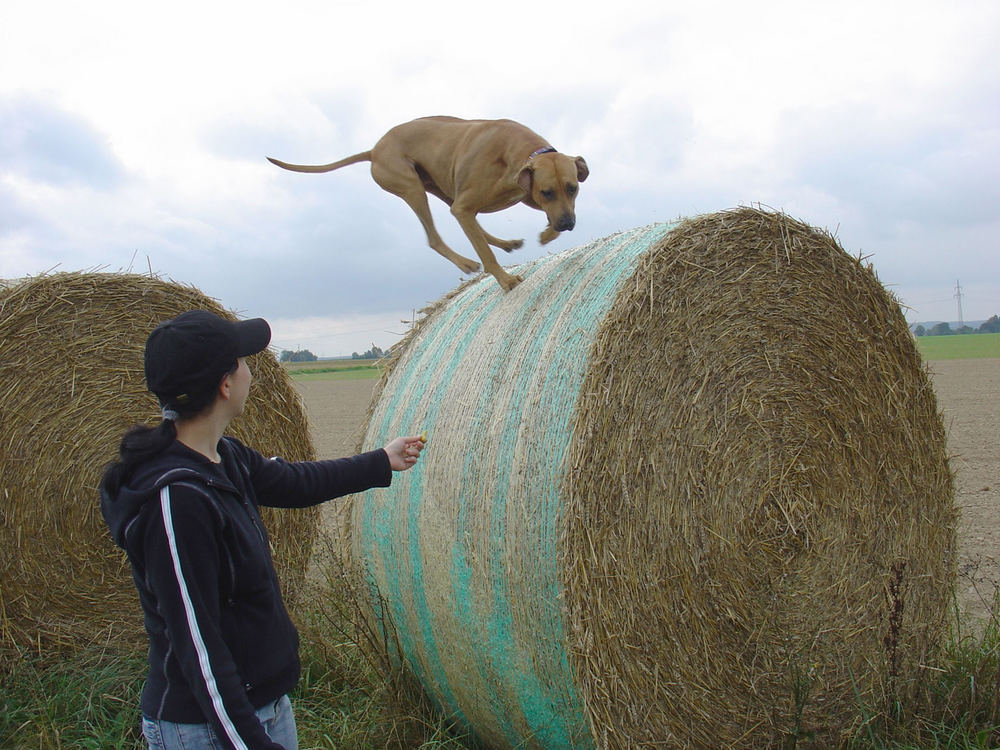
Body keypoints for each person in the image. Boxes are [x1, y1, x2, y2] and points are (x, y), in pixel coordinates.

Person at [100, 309, 423, 750]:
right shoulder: (177, 501)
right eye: (244, 362)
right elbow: (199, 648)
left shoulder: (224, 456)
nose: (253, 372)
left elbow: (294, 482)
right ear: (225, 383)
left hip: (265, 706)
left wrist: (381, 460)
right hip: (206, 727)